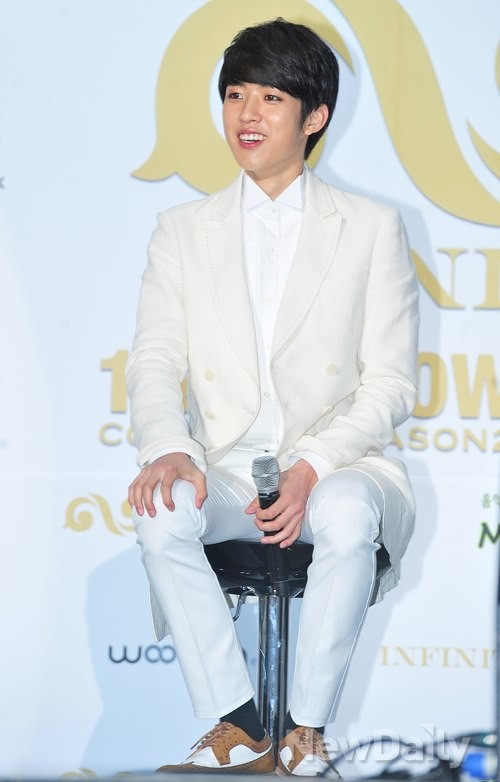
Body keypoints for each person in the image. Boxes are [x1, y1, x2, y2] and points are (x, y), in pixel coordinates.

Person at [127, 17, 419, 776]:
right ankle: (240, 719)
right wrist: (171, 449)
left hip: (339, 463)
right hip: (227, 465)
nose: (246, 115)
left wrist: (312, 464)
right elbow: (154, 359)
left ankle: (304, 730)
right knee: (163, 508)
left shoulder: (372, 227)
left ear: (314, 117)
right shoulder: (181, 230)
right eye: (234, 95)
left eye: (270, 97)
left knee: (347, 512)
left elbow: (390, 383)